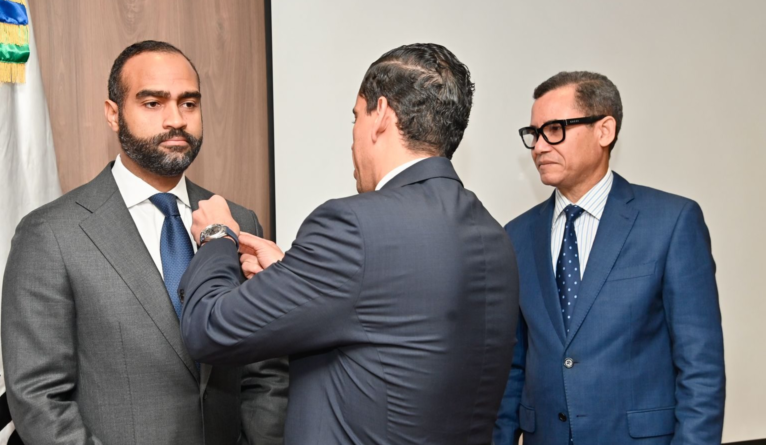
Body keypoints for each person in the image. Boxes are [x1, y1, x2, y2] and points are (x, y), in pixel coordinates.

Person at [178, 43, 520, 445]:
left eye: (356, 116)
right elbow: (396, 325)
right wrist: (289, 274)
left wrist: (217, 236)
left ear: (382, 114)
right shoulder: (495, 237)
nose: (353, 137)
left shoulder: (353, 226)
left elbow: (210, 328)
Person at [1, 40, 287, 445]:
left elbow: (265, 370)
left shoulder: (237, 222)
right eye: (153, 103)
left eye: (189, 103)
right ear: (113, 113)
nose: (176, 120)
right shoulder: (50, 234)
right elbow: (38, 398)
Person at [494, 71, 725, 445]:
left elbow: (701, 369)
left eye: (554, 130)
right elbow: (512, 365)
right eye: (534, 134)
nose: (539, 147)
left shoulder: (671, 222)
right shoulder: (517, 234)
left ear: (604, 130)